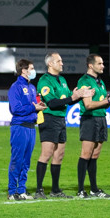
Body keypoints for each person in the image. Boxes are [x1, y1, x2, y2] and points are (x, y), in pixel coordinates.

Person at [32, 51, 94, 198]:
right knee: (46, 154)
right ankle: (39, 190)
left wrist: (79, 96)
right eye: (59, 61)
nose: (62, 63)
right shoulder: (45, 81)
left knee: (59, 155)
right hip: (49, 118)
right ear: (50, 64)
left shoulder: (62, 80)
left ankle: (55, 190)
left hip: (60, 119)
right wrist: (73, 96)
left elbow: (68, 99)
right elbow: (52, 103)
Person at [75, 54, 110, 198]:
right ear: (90, 65)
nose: (103, 66)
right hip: (90, 119)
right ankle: (81, 190)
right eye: (100, 63)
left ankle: (94, 189)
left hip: (101, 118)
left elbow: (101, 105)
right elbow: (88, 105)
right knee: (86, 154)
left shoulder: (99, 82)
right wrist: (107, 99)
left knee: (95, 155)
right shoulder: (85, 81)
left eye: (103, 63)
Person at [7, 59, 46, 200]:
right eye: (31, 68)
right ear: (23, 70)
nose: (33, 70)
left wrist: (38, 105)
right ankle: (12, 191)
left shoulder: (32, 87)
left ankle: (22, 190)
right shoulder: (15, 87)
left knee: (26, 161)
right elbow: (15, 109)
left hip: (31, 127)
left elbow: (33, 105)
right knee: (17, 159)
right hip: (20, 127)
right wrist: (33, 107)